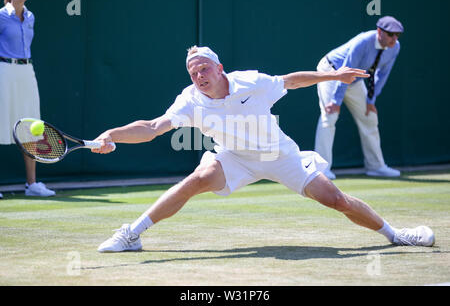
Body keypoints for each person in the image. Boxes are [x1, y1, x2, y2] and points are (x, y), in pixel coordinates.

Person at [93, 46, 434, 253]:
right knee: (196, 179)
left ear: (219, 67)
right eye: (193, 72)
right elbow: (152, 128)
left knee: (336, 200)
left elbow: (290, 81)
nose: (199, 76)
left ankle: (396, 234)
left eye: (204, 68)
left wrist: (333, 77)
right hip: (235, 158)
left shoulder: (250, 82)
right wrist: (113, 134)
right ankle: (131, 235)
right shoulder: (189, 100)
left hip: (279, 155)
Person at [314, 16, 404, 180]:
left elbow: (382, 75)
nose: (394, 38)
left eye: (397, 35)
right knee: (329, 116)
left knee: (370, 117)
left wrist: (371, 100)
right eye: (391, 34)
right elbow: (345, 68)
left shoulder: (395, 47)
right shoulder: (362, 41)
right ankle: (321, 169)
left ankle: (376, 166)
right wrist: (336, 100)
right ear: (380, 32)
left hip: (354, 80)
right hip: (332, 72)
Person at [0, 0, 55, 197]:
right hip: (4, 70)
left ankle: (31, 185)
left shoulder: (31, 16)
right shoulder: (2, 16)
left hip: (27, 71)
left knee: (30, 126)